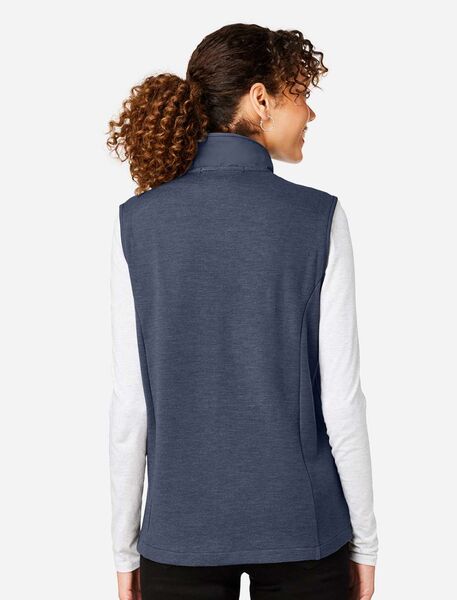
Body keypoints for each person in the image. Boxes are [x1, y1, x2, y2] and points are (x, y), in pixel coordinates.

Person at [106, 23, 378, 600]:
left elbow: (132, 407)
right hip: (303, 529)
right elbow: (343, 402)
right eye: (300, 94)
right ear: (261, 99)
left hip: (179, 533)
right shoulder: (319, 219)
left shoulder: (137, 224)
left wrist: (124, 548)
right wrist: (366, 542)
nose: (310, 113)